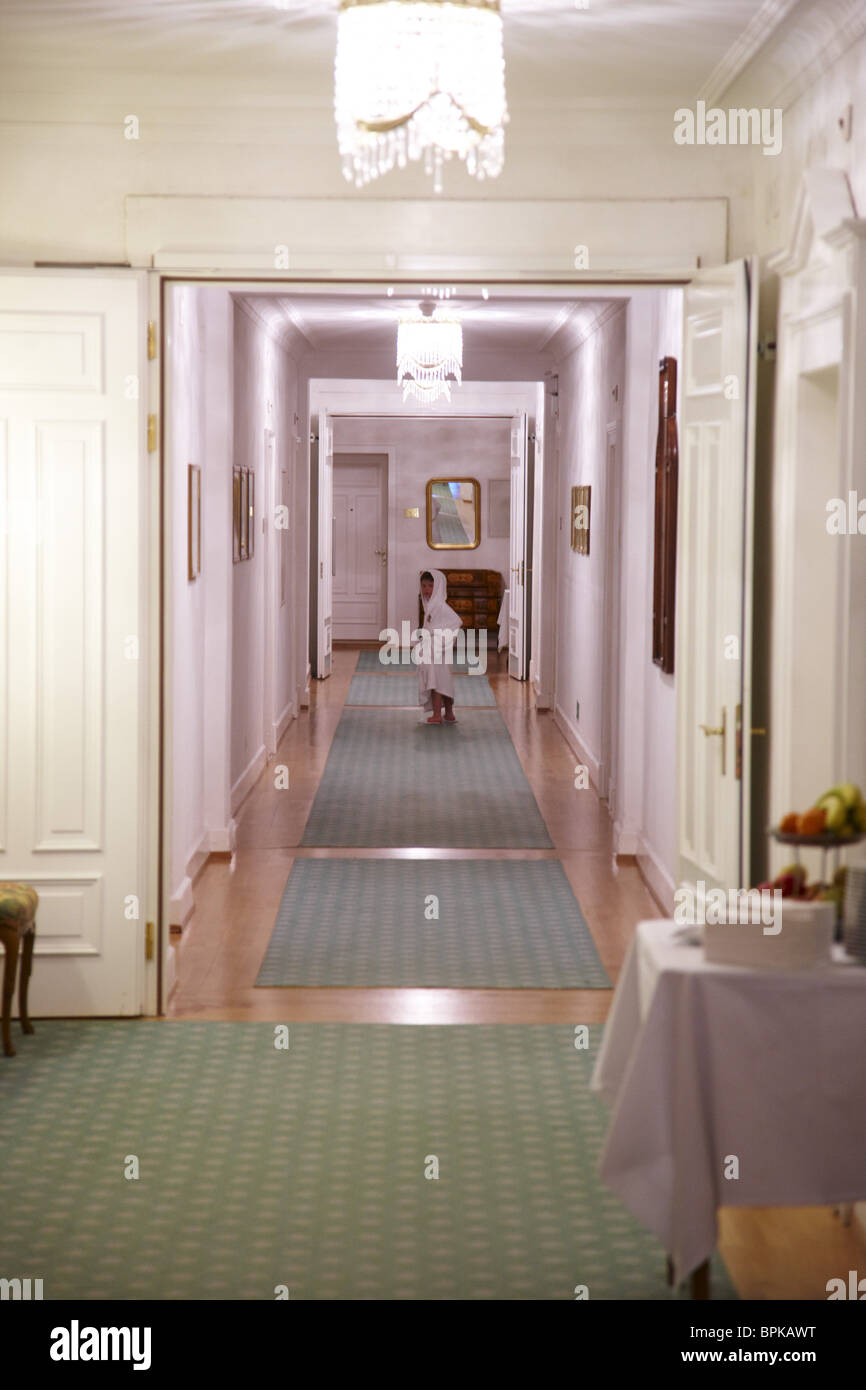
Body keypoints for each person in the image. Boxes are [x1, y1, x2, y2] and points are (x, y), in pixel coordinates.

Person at [417, 569, 462, 724]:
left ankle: (437, 714)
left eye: (430, 586)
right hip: (434, 650)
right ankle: (449, 713)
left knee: (436, 682)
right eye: (423, 586)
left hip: (439, 650)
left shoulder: (441, 607)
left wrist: (439, 640)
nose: (426, 590)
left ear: (438, 587)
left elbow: (456, 622)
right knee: (444, 681)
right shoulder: (429, 605)